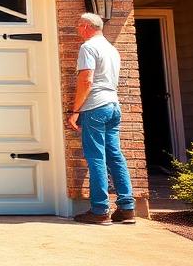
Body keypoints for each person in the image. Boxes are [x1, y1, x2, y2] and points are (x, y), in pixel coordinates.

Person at [67, 12, 136, 225]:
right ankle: (127, 208)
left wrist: (75, 110)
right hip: (113, 106)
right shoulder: (112, 49)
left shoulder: (88, 47)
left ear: (87, 26)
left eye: (79, 25)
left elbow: (86, 80)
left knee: (96, 157)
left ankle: (99, 210)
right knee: (115, 156)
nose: (78, 29)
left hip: (95, 107)